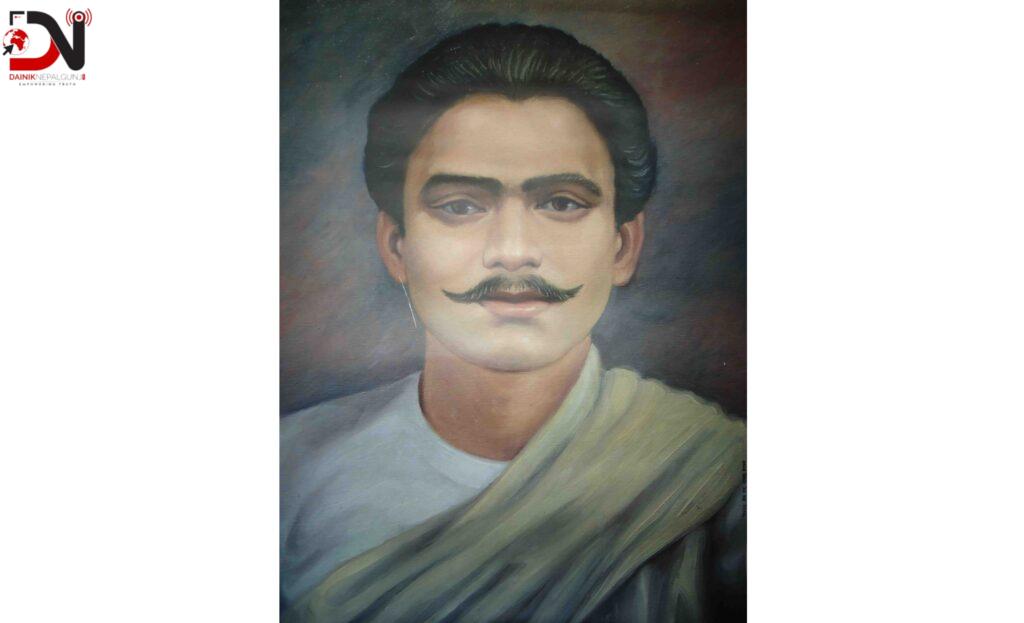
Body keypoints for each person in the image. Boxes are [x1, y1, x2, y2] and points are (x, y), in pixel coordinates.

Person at [281, 23, 745, 622]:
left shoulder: (723, 483)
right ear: (396, 246)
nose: (513, 251)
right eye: (460, 206)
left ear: (623, 246)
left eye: (561, 203)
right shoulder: (288, 472)